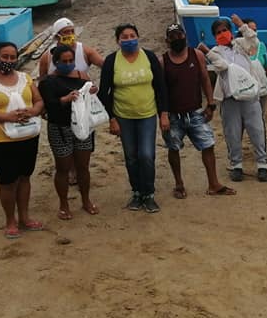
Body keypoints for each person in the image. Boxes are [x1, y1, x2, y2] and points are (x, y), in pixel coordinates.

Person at [0, 41, 45, 239]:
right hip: (0, 140)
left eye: (13, 57)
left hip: (28, 135)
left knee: (25, 177)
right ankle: (10, 221)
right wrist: (7, 117)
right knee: (7, 181)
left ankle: (25, 217)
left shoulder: (25, 78)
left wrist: (33, 111)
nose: (9, 60)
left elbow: (39, 101)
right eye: (5, 57)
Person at [97, 23, 169, 213]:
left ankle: (149, 194)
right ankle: (137, 192)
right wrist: (112, 118)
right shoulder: (112, 61)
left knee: (146, 155)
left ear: (138, 37)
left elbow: (161, 87)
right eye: (124, 37)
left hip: (147, 114)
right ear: (118, 41)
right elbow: (104, 92)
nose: (129, 40)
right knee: (131, 157)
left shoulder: (149, 57)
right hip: (123, 116)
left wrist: (163, 113)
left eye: (132, 36)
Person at [161, 23, 235, 197]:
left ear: (185, 36)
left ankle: (213, 184)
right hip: (173, 114)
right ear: (167, 41)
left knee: (208, 145)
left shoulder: (197, 55)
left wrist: (210, 103)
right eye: (173, 37)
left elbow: (205, 79)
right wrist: (163, 114)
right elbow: (161, 90)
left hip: (195, 111)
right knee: (173, 148)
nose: (177, 39)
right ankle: (179, 184)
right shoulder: (162, 61)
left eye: (179, 35)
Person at [38, 44, 99, 220]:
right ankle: (64, 204)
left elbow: (91, 97)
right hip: (60, 128)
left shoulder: (81, 76)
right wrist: (65, 99)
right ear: (55, 62)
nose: (68, 64)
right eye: (64, 61)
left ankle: (86, 200)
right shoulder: (48, 82)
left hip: (82, 126)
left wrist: (92, 91)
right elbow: (49, 106)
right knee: (63, 168)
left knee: (83, 166)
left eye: (71, 60)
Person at [206, 15, 267, 182]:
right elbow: (221, 66)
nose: (222, 34)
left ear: (230, 31)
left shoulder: (241, 44)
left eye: (225, 30)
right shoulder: (215, 52)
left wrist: (242, 25)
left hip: (249, 95)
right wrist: (207, 52)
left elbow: (254, 43)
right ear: (214, 36)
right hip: (230, 98)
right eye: (218, 32)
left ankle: (262, 165)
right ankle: (236, 165)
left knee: (257, 130)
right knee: (232, 133)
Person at [37, 17, 104, 78]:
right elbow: (42, 81)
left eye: (72, 31)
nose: (70, 34)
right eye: (66, 32)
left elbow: (105, 66)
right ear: (57, 36)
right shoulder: (47, 57)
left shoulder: (86, 52)